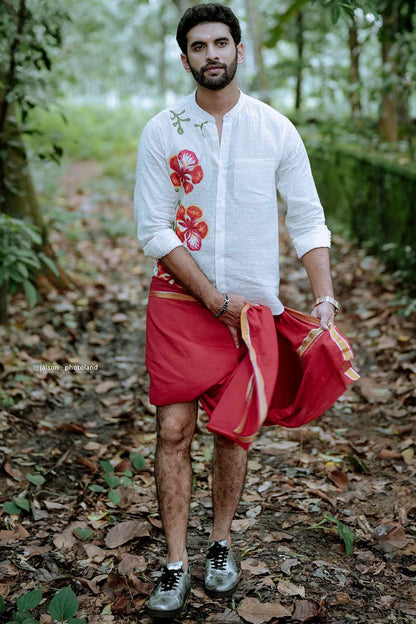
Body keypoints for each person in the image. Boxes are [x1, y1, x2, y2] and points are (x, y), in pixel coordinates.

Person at [134, 3, 355, 619]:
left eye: (221, 43)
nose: (212, 54)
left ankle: (220, 545)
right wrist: (212, 298)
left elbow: (308, 219)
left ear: (238, 50)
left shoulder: (276, 130)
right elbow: (153, 227)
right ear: (185, 59)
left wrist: (324, 296)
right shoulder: (163, 130)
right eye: (199, 46)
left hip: (254, 307)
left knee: (234, 432)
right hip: (182, 302)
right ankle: (175, 562)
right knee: (173, 430)